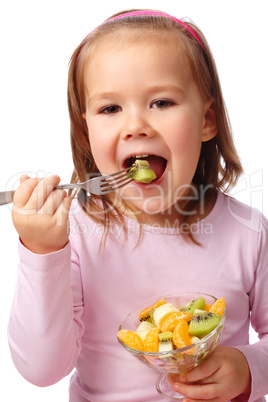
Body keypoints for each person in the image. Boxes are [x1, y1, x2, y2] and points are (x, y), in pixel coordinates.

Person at [7, 9, 268, 402]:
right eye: (110, 109)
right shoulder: (73, 234)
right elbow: (41, 371)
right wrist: (43, 252)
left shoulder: (248, 232)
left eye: (161, 102)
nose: (136, 126)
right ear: (86, 130)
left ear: (206, 120)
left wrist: (251, 369)